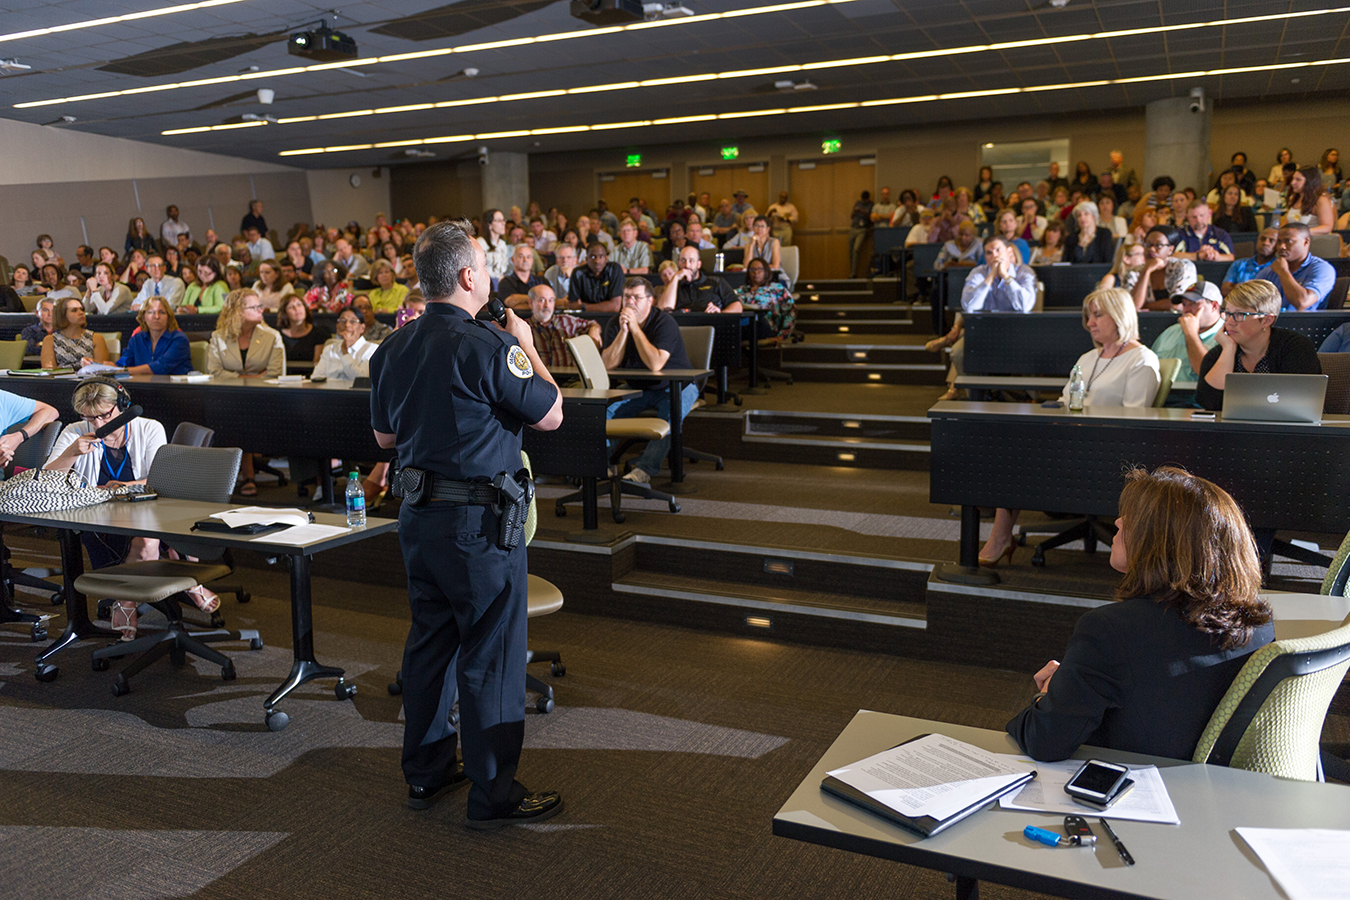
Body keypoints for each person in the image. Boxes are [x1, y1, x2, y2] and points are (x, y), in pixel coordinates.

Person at [368, 218, 563, 827]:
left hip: (419, 517)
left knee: (430, 645)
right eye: (484, 262)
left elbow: (383, 436)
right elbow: (551, 414)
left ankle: (426, 776)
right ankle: (494, 794)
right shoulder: (491, 345)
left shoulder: (391, 348)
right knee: (492, 655)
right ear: (468, 275)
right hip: (480, 527)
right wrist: (526, 343)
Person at [1006, 466, 1273, 761]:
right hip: (1219, 786)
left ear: (1160, 542)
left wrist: (1048, 697)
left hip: (1140, 788)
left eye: (1132, 519)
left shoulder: (1109, 630)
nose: (1118, 521)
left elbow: (1044, 741)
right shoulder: (1258, 623)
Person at [978, 289, 1160, 567]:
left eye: (1098, 315)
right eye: (1089, 316)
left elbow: (1133, 419)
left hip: (1108, 450)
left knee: (1018, 457)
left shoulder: (1141, 359)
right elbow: (1067, 400)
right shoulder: (1089, 356)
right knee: (1011, 445)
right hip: (1072, 440)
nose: (1090, 323)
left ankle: (1001, 536)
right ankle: (1001, 534)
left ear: (1120, 315)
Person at [42, 379, 182, 639]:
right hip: (98, 517)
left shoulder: (148, 428)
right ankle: (182, 585)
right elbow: (47, 478)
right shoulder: (75, 431)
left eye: (104, 415)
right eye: (89, 417)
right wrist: (71, 454)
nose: (98, 425)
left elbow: (159, 479)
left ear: (123, 406)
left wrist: (121, 487)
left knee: (147, 539)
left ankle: (125, 602)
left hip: (147, 510)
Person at [602, 277, 696, 486]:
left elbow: (655, 364)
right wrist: (624, 332)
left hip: (677, 386)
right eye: (627, 296)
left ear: (650, 301)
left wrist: (635, 329)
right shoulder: (615, 323)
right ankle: (601, 464)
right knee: (604, 412)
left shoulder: (664, 322)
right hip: (638, 387)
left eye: (637, 297)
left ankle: (644, 470)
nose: (630, 302)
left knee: (671, 414)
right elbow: (608, 364)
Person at [1196, 280, 1322, 411]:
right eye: (1228, 313)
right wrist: (1228, 350)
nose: (1230, 322)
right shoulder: (1218, 354)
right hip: (1239, 429)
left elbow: (1304, 401)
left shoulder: (1295, 347)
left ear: (1267, 320)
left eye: (1240, 314)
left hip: (1288, 428)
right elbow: (1208, 402)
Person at [208, 289, 285, 496]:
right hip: (227, 398)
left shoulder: (272, 336)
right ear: (237, 312)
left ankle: (246, 474)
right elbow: (214, 372)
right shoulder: (218, 337)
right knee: (232, 412)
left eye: (260, 306)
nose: (261, 310)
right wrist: (251, 377)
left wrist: (237, 376)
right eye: (255, 307)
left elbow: (276, 373)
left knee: (241, 414)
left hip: (265, 398)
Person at [1150, 281, 1224, 405]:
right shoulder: (1170, 332)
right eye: (1184, 305)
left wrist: (1191, 334)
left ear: (1214, 306)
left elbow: (1206, 374)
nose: (1186, 310)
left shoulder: (1227, 336)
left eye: (1194, 304)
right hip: (1161, 399)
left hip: (1198, 403)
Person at [1256, 223, 1336, 311]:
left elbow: (1302, 302)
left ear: (1306, 242)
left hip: (1305, 323)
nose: (1282, 246)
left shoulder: (1322, 269)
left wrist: (1283, 272)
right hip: (1272, 321)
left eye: (1288, 241)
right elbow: (1250, 300)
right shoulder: (1270, 270)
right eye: (1279, 242)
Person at [1122, 225, 1197, 311]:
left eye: (1158, 245)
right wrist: (1146, 271)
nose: (1152, 249)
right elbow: (1132, 306)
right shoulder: (1133, 272)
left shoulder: (1183, 267)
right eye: (1148, 244)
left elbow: (1178, 304)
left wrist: (1145, 306)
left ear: (1170, 250)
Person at [525, 284, 600, 368]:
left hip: (569, 377)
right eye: (542, 300)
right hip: (538, 378)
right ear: (531, 303)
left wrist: (594, 331)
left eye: (551, 300)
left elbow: (593, 324)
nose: (547, 305)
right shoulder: (523, 327)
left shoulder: (567, 321)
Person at [116, 298, 193, 375]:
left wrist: (122, 371)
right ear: (143, 317)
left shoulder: (179, 339)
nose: (156, 316)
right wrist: (112, 367)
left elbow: (160, 367)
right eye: (151, 312)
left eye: (162, 312)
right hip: (141, 386)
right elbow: (124, 362)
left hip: (173, 386)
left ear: (168, 317)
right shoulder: (136, 339)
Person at [658, 246, 741, 313]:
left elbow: (737, 306)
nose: (687, 265)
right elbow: (662, 309)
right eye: (683, 260)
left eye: (691, 261)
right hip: (683, 328)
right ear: (679, 263)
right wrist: (675, 278)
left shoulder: (716, 282)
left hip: (711, 325)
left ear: (698, 264)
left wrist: (720, 313)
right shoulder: (674, 285)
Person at [735, 258, 796, 344]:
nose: (756, 272)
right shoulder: (742, 289)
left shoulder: (776, 288)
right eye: (752, 269)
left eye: (760, 269)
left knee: (756, 318)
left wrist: (782, 335)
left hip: (766, 325)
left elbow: (790, 311)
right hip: (744, 324)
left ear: (766, 271)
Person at [313, 306, 378, 380]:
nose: (347, 325)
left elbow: (362, 380)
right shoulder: (330, 348)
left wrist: (345, 353)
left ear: (362, 328)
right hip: (330, 390)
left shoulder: (372, 349)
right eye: (343, 321)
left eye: (353, 321)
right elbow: (316, 377)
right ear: (337, 326)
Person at [42, 297, 108, 369]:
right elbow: (49, 370)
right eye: (74, 310)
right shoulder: (50, 340)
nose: (81, 313)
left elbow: (101, 369)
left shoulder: (96, 338)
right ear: (62, 315)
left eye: (82, 309)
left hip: (89, 379)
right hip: (61, 379)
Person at [1220, 227, 1279, 296]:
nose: (1265, 243)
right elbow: (1225, 290)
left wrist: (1239, 287)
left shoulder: (1278, 267)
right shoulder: (1239, 263)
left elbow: (1272, 295)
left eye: (1271, 241)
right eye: (1262, 239)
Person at [568, 242, 624, 312]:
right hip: (585, 318)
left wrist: (584, 306)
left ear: (606, 258)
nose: (597, 261)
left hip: (610, 317)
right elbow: (572, 305)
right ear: (586, 259)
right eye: (593, 257)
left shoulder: (614, 269)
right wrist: (605, 305)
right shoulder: (578, 273)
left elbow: (615, 306)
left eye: (601, 256)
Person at [277, 294, 330, 364]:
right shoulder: (277, 335)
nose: (297, 309)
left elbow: (318, 363)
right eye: (291, 307)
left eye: (299, 305)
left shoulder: (319, 333)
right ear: (285, 313)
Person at [1283, 167, 1335, 234]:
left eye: (1298, 180)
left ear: (1309, 182)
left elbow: (1327, 227)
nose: (1293, 182)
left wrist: (1301, 232)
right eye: (1293, 179)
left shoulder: (1321, 200)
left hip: (1314, 240)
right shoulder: (1295, 199)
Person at [496, 244, 545, 310]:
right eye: (521, 256)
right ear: (512, 259)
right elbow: (514, 306)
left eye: (529, 257)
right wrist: (541, 302)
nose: (525, 260)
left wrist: (522, 298)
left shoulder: (542, 281)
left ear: (532, 260)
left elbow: (553, 301)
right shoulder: (505, 282)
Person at [477, 208, 511, 280]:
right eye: (499, 220)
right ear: (489, 224)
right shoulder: (481, 243)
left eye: (503, 220)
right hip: (485, 281)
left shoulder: (502, 244)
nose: (503, 223)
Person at [848, 191, 873, 279]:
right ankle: (852, 272)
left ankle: (854, 274)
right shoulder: (858, 203)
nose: (863, 202)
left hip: (862, 229)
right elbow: (851, 216)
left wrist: (862, 211)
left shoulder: (871, 205)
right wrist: (855, 211)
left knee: (856, 249)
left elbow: (871, 217)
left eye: (865, 200)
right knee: (851, 250)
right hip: (853, 228)